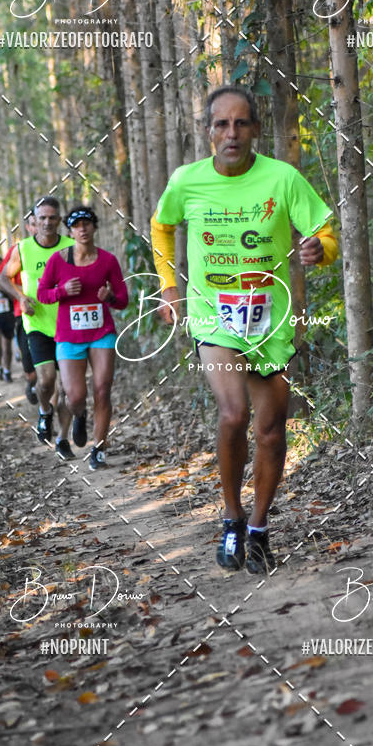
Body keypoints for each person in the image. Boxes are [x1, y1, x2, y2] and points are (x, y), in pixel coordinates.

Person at [151, 85, 338, 573]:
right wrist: (169, 285)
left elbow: (323, 229)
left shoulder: (283, 178)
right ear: (209, 132)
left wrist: (322, 249)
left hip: (271, 319)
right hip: (216, 315)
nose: (231, 133)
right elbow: (161, 225)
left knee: (272, 431)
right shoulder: (186, 181)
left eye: (240, 123)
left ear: (255, 129)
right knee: (234, 414)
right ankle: (231, 518)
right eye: (221, 124)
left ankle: (258, 529)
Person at [37, 206, 128, 470]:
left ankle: (98, 449)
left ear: (94, 228)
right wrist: (61, 291)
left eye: (87, 224)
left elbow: (123, 300)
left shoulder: (108, 260)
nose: (83, 229)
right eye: (77, 226)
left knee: (102, 388)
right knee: (75, 396)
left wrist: (109, 298)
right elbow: (42, 294)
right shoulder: (58, 260)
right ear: (70, 231)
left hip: (102, 333)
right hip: (69, 336)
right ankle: (79, 414)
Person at [0, 197, 75, 458]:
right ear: (35, 221)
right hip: (38, 325)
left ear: (59, 220)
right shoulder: (23, 249)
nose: (47, 222)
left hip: (70, 326)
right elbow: (3, 278)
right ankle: (44, 412)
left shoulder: (71, 246)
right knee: (46, 381)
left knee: (67, 389)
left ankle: (63, 440)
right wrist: (20, 297)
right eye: (42, 218)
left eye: (52, 217)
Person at [0, 213, 38, 404]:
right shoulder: (19, 250)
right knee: (28, 355)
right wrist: (22, 294)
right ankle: (31, 381)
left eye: (46, 220)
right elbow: (2, 280)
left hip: (56, 314)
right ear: (28, 227)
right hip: (24, 313)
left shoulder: (61, 249)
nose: (41, 226)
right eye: (35, 224)